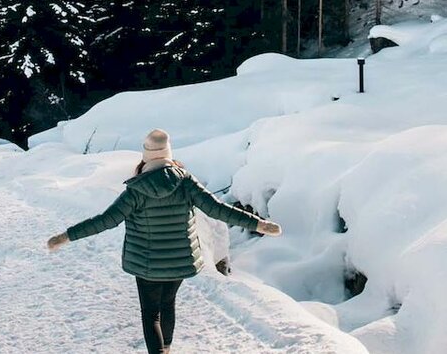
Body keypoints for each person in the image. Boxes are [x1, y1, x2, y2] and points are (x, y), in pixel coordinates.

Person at [47, 129, 282, 354]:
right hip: (178, 262)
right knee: (168, 304)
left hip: (146, 267)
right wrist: (258, 224)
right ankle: (166, 349)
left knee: (151, 315)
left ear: (146, 156)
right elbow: (217, 210)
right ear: (169, 153)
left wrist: (66, 236)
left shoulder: (137, 190)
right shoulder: (186, 183)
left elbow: (106, 220)